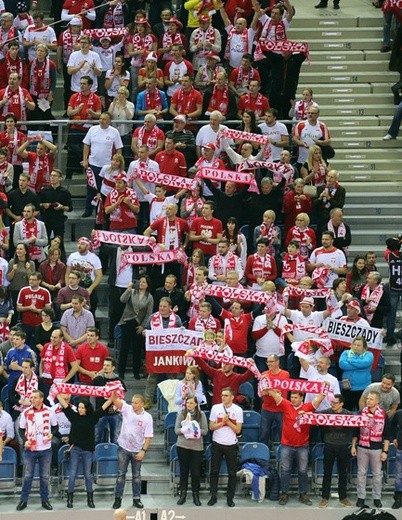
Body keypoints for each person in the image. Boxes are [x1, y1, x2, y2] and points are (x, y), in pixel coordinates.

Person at [268, 388, 326, 506]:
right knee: (285, 471)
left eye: (295, 397)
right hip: (286, 445)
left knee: (303, 471)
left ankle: (303, 494)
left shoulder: (308, 407)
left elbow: (320, 398)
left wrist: (325, 387)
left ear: (301, 398)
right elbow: (273, 394)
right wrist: (268, 383)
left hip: (302, 446)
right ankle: (284, 493)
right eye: (291, 397)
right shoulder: (286, 404)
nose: (292, 399)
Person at [57, 392, 112, 509]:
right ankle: (70, 498)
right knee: (72, 474)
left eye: (82, 407)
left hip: (87, 450)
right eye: (79, 407)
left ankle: (90, 499)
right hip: (75, 449)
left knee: (87, 475)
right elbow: (65, 405)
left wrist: (112, 398)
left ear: (87, 409)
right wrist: (57, 394)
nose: (80, 409)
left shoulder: (92, 417)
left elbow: (103, 408)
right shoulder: (74, 416)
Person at [16, 390, 57, 511]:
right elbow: (21, 429)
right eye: (31, 397)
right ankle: (23, 501)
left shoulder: (50, 412)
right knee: (28, 476)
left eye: (35, 397)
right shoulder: (26, 412)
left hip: (45, 449)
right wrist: (25, 440)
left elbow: (55, 427)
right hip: (30, 449)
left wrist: (52, 435)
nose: (32, 399)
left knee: (44, 476)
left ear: (41, 399)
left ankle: (45, 500)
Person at [111, 393, 153, 510]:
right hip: (123, 447)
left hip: (137, 450)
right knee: (120, 474)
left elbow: (148, 436)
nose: (133, 404)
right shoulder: (127, 409)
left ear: (142, 404)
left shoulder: (147, 417)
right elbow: (116, 401)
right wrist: (113, 393)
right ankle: (118, 499)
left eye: (136, 402)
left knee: (136, 476)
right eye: (132, 402)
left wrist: (143, 451)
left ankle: (136, 499)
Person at [352, 390, 391, 509]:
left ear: (377, 401)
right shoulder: (361, 412)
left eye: (371, 399)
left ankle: (377, 498)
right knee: (361, 474)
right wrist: (353, 445)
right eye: (367, 398)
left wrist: (385, 451)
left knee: (377, 475)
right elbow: (355, 431)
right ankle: (361, 497)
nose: (368, 401)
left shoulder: (383, 415)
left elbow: (387, 434)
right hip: (362, 447)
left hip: (377, 448)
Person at [82, 112, 123, 218]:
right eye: (100, 118)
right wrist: (85, 160)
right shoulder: (92, 129)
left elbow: (119, 148)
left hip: (108, 167)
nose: (101, 121)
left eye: (104, 119)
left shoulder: (114, 132)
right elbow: (86, 145)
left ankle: (103, 211)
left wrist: (117, 164)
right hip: (93, 164)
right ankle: (88, 209)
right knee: (91, 188)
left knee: (105, 189)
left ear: (109, 121)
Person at [208, 386, 243, 508]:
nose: (223, 397)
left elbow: (238, 430)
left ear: (232, 397)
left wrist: (228, 422)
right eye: (222, 395)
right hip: (217, 443)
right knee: (214, 471)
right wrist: (222, 422)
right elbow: (211, 427)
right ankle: (213, 495)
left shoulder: (238, 410)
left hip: (231, 445)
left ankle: (230, 497)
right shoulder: (215, 408)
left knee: (232, 473)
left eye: (226, 395)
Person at [318, 394, 354, 508]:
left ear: (342, 403)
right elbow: (314, 416)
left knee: (343, 473)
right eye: (332, 402)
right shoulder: (326, 412)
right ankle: (324, 497)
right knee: (327, 473)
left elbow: (358, 421)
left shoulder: (348, 414)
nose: (333, 404)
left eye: (335, 403)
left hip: (343, 447)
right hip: (329, 446)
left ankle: (343, 498)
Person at [118, 276, 153, 380]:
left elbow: (149, 313)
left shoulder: (149, 297)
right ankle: (121, 372)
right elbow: (122, 300)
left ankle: (136, 372)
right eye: (140, 281)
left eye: (144, 282)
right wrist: (128, 289)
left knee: (137, 350)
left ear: (147, 285)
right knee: (124, 348)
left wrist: (143, 326)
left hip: (138, 325)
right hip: (127, 322)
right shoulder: (132, 292)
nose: (141, 283)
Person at [175, 395, 208, 506]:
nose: (189, 405)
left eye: (191, 403)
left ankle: (195, 495)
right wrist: (185, 430)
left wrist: (196, 429)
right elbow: (176, 430)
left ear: (195, 404)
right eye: (187, 403)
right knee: (183, 471)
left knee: (195, 472)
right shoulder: (181, 414)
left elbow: (205, 431)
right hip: (183, 446)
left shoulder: (201, 415)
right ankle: (182, 494)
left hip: (197, 447)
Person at [93, 357, 126, 445]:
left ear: (113, 368)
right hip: (100, 413)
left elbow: (123, 395)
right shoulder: (97, 380)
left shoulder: (118, 380)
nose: (105, 367)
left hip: (114, 413)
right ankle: (96, 457)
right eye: (104, 365)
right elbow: (91, 394)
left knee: (115, 438)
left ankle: (114, 457)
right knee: (97, 438)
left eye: (107, 365)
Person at [65, 237, 103, 314]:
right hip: (74, 287)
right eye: (78, 243)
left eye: (82, 244)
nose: (79, 245)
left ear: (88, 246)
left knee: (90, 312)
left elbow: (99, 276)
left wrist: (91, 288)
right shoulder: (72, 256)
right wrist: (68, 287)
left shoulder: (94, 258)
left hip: (87, 287)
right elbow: (67, 273)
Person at [258, 355, 289, 444]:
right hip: (267, 409)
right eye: (268, 362)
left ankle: (282, 456)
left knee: (282, 435)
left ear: (277, 362)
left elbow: (281, 390)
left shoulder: (285, 374)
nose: (269, 364)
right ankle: (262, 456)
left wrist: (269, 390)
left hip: (281, 409)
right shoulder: (264, 374)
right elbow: (262, 393)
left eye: (271, 361)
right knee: (264, 434)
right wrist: (272, 391)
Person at [16, 272, 52, 347]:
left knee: (39, 344)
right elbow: (18, 308)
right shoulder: (23, 290)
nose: (31, 281)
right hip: (26, 323)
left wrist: (37, 310)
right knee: (25, 343)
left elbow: (48, 310)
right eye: (30, 279)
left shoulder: (45, 292)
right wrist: (28, 307)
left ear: (39, 281)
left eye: (34, 280)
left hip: (40, 323)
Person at [339, 337, 374, 411]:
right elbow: (342, 364)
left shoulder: (369, 354)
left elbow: (365, 363)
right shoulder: (346, 353)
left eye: (359, 345)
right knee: (345, 410)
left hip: (363, 388)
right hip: (347, 388)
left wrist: (350, 360)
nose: (356, 347)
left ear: (364, 347)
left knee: (363, 411)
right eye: (354, 344)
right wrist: (359, 366)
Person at [39, 169, 73, 242]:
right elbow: (37, 204)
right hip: (46, 219)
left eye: (54, 176)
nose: (52, 177)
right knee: (45, 242)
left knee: (59, 242)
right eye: (51, 176)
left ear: (60, 178)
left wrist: (62, 207)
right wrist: (43, 205)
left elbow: (70, 208)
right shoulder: (44, 191)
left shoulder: (65, 192)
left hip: (58, 220)